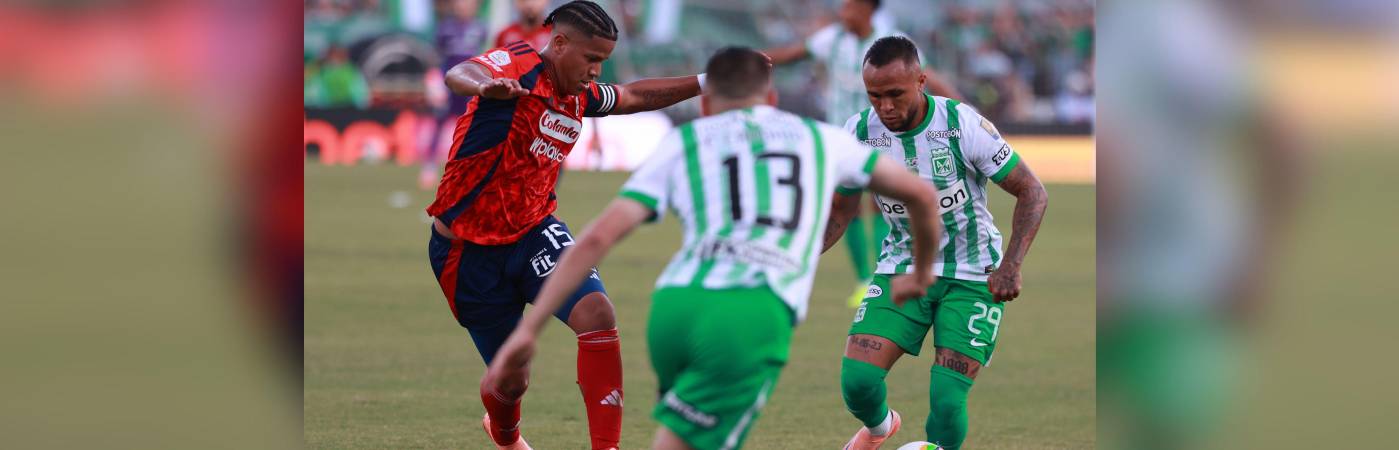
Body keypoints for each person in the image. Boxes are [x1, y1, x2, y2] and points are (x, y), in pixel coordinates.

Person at [485, 47, 943, 450]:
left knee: (683, 435)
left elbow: (598, 237)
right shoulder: (822, 139)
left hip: (673, 309)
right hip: (750, 313)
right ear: (771, 99)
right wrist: (921, 273)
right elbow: (921, 196)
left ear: (705, 105)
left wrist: (529, 331)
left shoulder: (685, 140)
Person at [424, 2, 703, 449]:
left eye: (602, 61)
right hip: (466, 252)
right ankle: (506, 436)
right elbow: (461, 73)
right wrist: (487, 86)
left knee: (597, 314)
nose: (596, 71)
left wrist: (706, 82)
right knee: (511, 380)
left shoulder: (578, 95)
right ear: (559, 44)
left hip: (534, 232)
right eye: (591, 58)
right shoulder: (519, 65)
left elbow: (631, 97)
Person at [823, 36, 1048, 450]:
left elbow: (1032, 191)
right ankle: (880, 429)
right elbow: (841, 211)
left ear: (921, 81)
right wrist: (799, 257)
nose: (885, 107)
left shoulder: (962, 124)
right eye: (874, 96)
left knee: (946, 400)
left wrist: (1011, 265)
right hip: (902, 266)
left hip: (974, 273)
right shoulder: (858, 132)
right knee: (858, 381)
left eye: (895, 94)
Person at [762, 0, 962, 309]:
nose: (844, 13)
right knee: (847, 207)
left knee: (882, 204)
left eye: (851, 7)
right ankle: (863, 279)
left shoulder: (890, 41)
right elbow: (793, 54)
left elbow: (927, 76)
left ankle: (888, 271)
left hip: (885, 135)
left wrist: (961, 109)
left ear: (869, 9)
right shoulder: (832, 38)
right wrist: (751, 62)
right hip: (845, 137)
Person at [421, 0, 489, 189]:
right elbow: (436, 58)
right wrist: (435, 82)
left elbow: (485, 58)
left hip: (471, 85)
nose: (464, 6)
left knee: (473, 126)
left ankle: (472, 167)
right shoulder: (445, 29)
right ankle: (429, 166)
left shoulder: (481, 28)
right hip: (449, 84)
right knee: (439, 123)